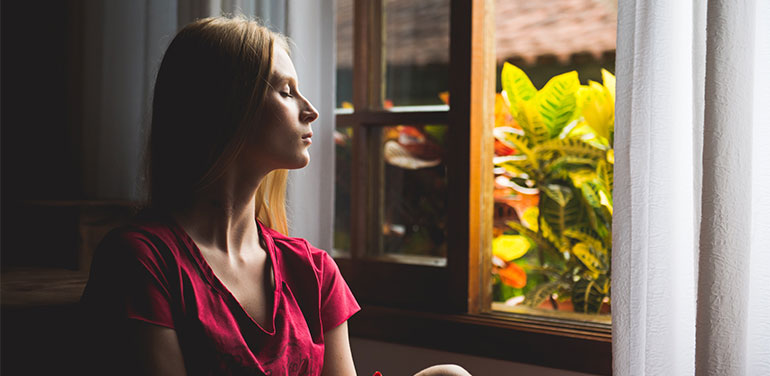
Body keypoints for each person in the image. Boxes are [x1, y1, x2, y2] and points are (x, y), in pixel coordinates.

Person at [80, 16, 469, 376]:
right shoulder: (142, 260)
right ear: (226, 106)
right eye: (286, 92)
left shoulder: (313, 272)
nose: (312, 111)